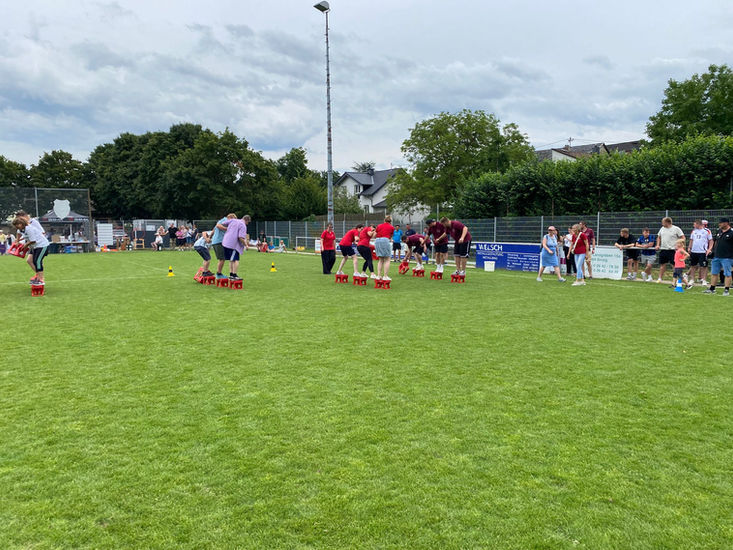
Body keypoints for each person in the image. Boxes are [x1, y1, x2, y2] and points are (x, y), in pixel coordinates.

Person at [12, 215, 49, 285]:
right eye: (15, 225)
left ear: (22, 223)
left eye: (18, 224)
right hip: (34, 247)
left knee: (37, 261)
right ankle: (38, 276)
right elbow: (18, 233)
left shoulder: (29, 229)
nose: (16, 226)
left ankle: (40, 279)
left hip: (42, 245)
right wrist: (17, 241)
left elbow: (33, 240)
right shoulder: (20, 229)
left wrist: (25, 246)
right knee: (29, 260)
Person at [703, 218, 733, 296]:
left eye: (721, 223)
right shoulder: (719, 231)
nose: (719, 224)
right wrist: (711, 250)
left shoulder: (731, 232)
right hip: (716, 256)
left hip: (727, 257)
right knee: (714, 273)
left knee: (727, 274)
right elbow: (715, 241)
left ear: (726, 223)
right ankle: (712, 288)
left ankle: (726, 290)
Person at [220, 215, 250, 281]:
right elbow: (240, 237)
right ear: (247, 220)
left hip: (225, 242)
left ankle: (231, 275)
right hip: (233, 244)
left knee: (231, 260)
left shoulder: (233, 220)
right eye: (248, 222)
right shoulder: (243, 225)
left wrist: (229, 229)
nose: (247, 224)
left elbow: (223, 223)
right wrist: (246, 245)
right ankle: (234, 275)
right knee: (236, 260)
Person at [655, 217, 684, 283]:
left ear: (667, 222)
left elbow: (683, 237)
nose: (662, 224)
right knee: (662, 265)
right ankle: (660, 278)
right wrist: (658, 245)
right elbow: (659, 237)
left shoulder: (676, 229)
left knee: (674, 265)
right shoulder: (662, 229)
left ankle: (676, 279)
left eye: (663, 222)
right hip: (663, 249)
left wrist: (679, 245)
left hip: (672, 250)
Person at [687, 219, 712, 287]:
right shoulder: (694, 231)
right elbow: (691, 240)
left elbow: (710, 240)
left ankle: (703, 279)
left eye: (694, 224)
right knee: (693, 265)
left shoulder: (707, 231)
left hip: (702, 251)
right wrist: (689, 247)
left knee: (703, 266)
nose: (693, 225)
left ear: (698, 224)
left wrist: (709, 249)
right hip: (694, 251)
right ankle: (692, 279)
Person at [211, 214, 236, 279]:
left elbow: (214, 229)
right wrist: (227, 229)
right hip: (219, 241)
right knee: (222, 259)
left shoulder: (222, 220)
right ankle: (218, 274)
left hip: (217, 241)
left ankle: (219, 273)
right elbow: (218, 226)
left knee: (222, 258)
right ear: (230, 217)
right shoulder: (225, 220)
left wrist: (210, 237)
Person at [374, 215, 395, 281]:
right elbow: (390, 236)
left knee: (380, 259)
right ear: (390, 221)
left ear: (384, 220)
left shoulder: (379, 225)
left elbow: (374, 235)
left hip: (377, 240)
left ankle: (378, 275)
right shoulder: (391, 227)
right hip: (385, 240)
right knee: (387, 259)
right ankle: (385, 276)